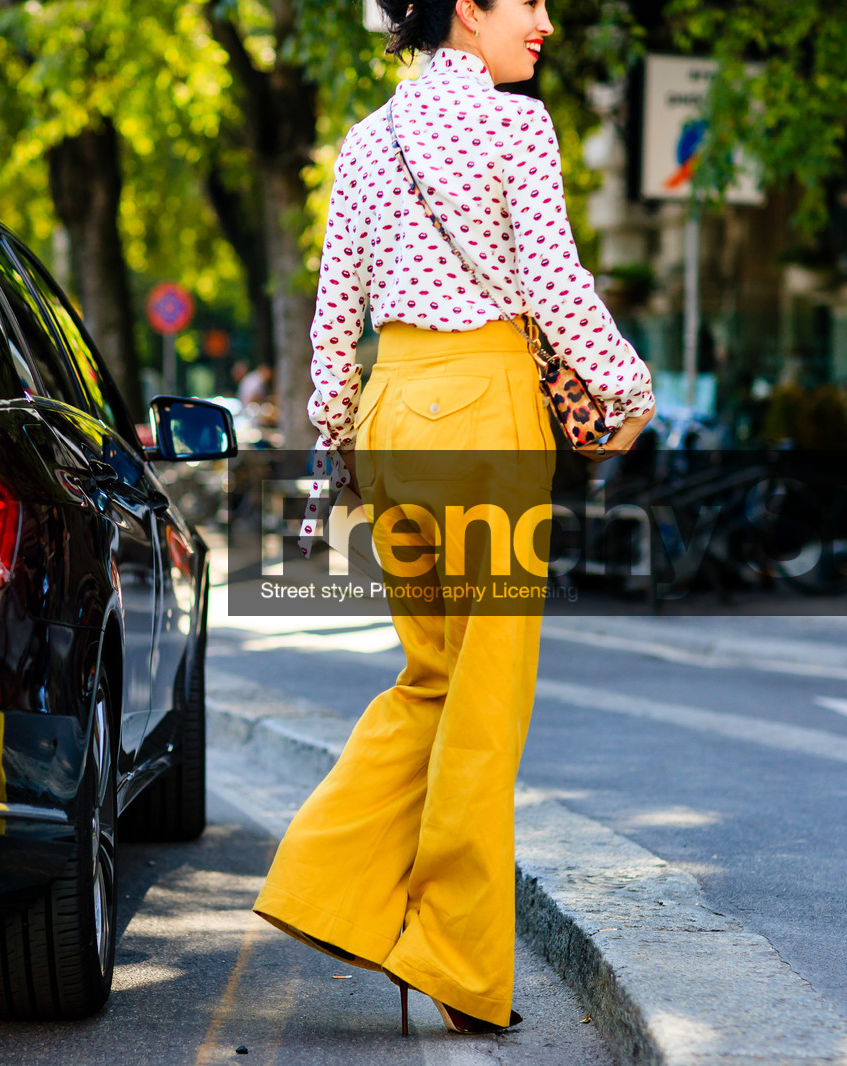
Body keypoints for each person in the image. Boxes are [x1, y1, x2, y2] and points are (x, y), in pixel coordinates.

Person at [252, 0, 655, 1037]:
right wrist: (628, 387)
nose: (547, 22)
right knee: (485, 700)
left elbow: (332, 316)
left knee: (430, 674)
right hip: (487, 419)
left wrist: (336, 430)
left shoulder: (365, 138)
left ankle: (321, 882)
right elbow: (555, 283)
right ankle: (457, 960)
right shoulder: (517, 124)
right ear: (468, 9)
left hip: (391, 416)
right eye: (529, 1)